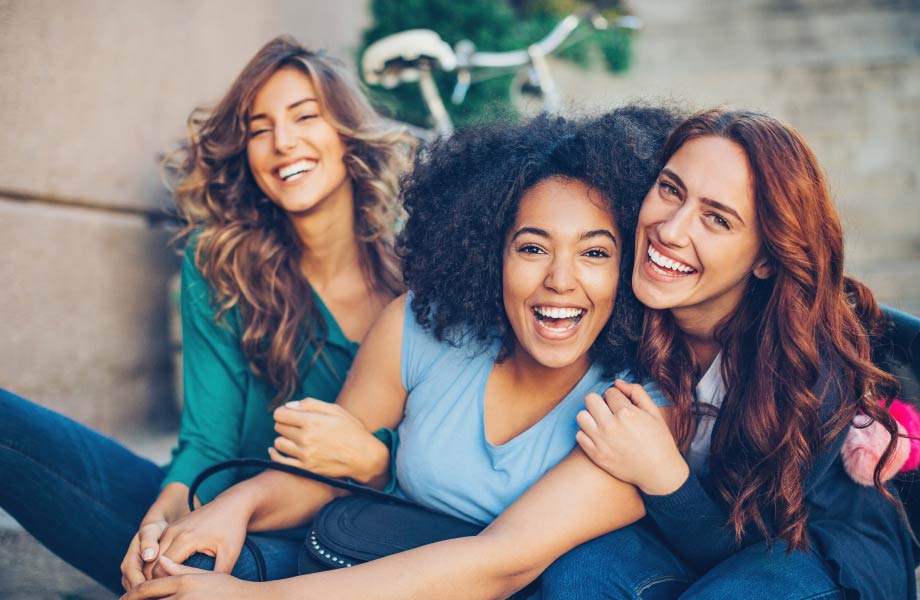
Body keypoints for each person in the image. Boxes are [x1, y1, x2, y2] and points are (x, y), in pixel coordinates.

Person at [119, 107, 681, 600]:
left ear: (631, 261)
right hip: (374, 566)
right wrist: (232, 508)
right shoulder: (420, 327)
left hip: (509, 586)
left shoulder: (641, 406)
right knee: (192, 567)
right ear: (491, 254)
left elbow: (500, 565)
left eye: (595, 253)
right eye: (532, 247)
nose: (560, 280)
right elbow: (326, 473)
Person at [0, 35, 412, 594]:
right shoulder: (224, 263)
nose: (282, 142)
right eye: (259, 128)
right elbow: (207, 443)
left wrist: (373, 462)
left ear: (347, 135)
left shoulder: (417, 279)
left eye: (304, 116)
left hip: (339, 548)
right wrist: (160, 518)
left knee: (201, 574)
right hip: (216, 502)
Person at [538, 108, 916, 599]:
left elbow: (751, 543)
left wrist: (664, 476)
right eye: (671, 190)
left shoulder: (812, 364)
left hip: (811, 546)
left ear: (765, 256)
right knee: (577, 577)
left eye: (716, 219)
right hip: (667, 534)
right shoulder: (616, 297)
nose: (670, 231)